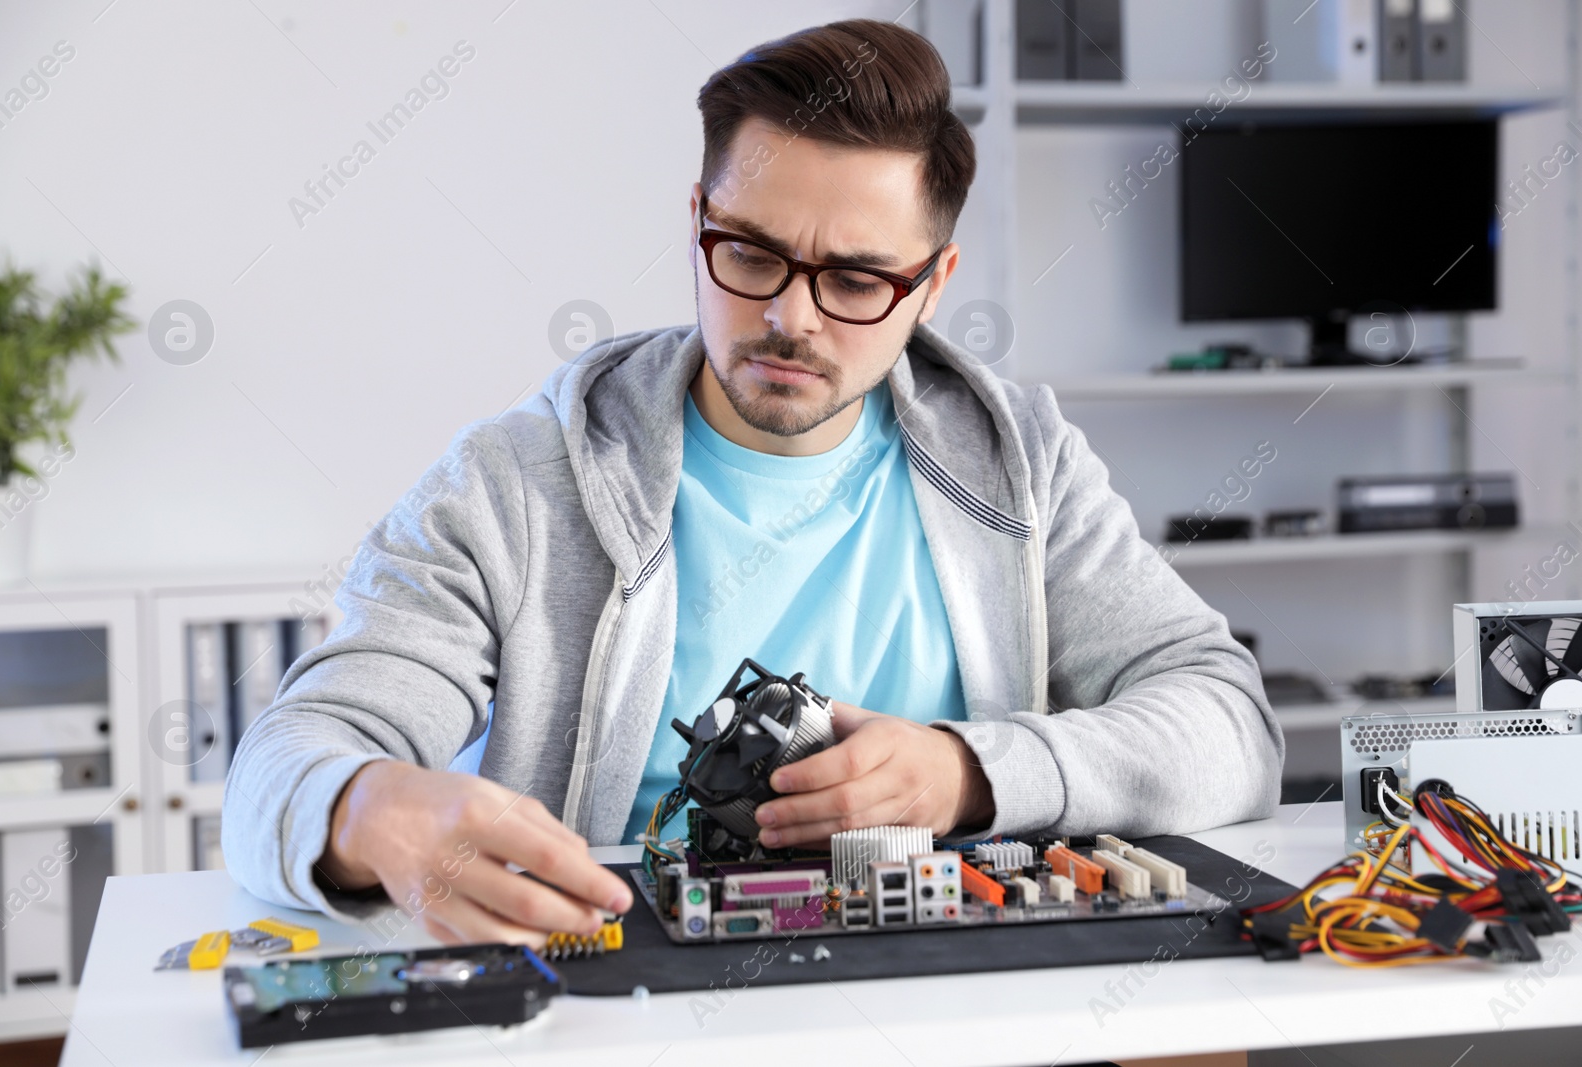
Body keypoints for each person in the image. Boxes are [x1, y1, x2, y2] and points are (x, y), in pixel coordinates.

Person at [222, 18, 1282, 947]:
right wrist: (366, 812)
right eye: (751, 253)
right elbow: (288, 757)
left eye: (858, 279)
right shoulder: (514, 483)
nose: (792, 317)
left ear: (932, 285)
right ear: (697, 220)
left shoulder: (1023, 462)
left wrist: (965, 772)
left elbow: (1228, 723)